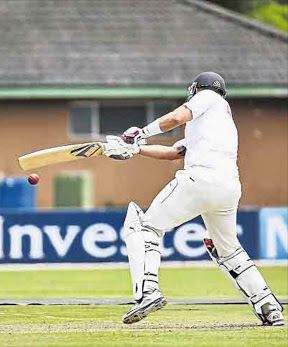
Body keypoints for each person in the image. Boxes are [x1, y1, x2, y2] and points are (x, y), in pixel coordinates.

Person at [103, 72, 284, 326]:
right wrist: (136, 149)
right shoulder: (217, 124)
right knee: (228, 251)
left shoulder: (208, 97)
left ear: (198, 89)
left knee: (144, 228)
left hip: (199, 180)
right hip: (228, 188)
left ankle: (148, 292)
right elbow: (174, 152)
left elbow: (176, 117)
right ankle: (269, 306)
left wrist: (139, 133)